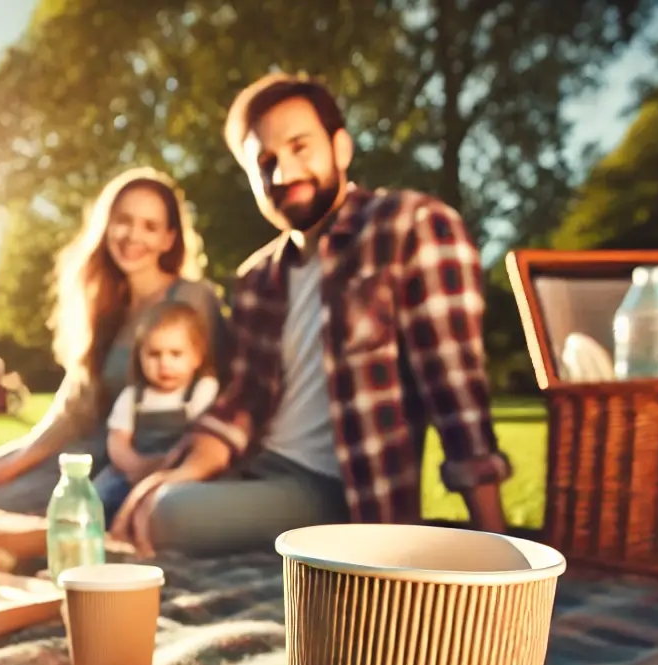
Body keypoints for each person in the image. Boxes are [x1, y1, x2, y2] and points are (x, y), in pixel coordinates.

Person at [112, 72, 512, 557]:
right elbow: (243, 403)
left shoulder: (409, 225)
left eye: (300, 147)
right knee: (120, 490)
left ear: (340, 148)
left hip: (340, 491)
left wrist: (500, 549)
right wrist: (177, 474)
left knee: (167, 513)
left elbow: (454, 389)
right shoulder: (256, 279)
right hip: (257, 465)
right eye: (266, 163)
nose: (284, 173)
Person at [0, 167, 230, 512]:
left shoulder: (193, 299)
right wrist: (16, 460)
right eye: (123, 220)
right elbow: (74, 409)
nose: (132, 235)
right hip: (82, 448)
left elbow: (224, 397)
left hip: (127, 466)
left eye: (150, 226)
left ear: (169, 238)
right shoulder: (106, 310)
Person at [92, 300, 219, 521]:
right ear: (140, 356)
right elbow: (118, 441)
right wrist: (135, 466)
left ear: (197, 356)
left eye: (175, 354)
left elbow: (203, 439)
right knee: (100, 492)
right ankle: (84, 525)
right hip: (133, 470)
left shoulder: (202, 391)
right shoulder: (133, 397)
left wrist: (169, 467)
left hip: (181, 472)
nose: (164, 364)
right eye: (154, 354)